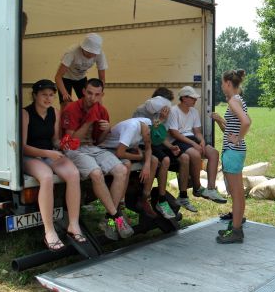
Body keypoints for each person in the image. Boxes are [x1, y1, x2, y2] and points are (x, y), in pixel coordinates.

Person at [61, 78, 133, 240]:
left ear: (102, 95)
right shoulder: (72, 108)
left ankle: (108, 219)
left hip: (94, 147)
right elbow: (70, 141)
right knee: (96, 173)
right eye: (89, 93)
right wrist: (87, 123)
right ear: (83, 92)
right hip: (74, 149)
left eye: (97, 94)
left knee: (121, 170)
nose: (92, 97)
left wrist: (106, 130)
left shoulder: (102, 110)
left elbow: (99, 141)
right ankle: (116, 217)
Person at [22, 79, 85, 251]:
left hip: (49, 153)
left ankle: (73, 224)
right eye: (44, 95)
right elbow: (23, 147)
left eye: (51, 95)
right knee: (47, 177)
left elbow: (54, 140)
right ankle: (49, 231)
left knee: (73, 174)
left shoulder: (55, 113)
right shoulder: (25, 114)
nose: (48, 98)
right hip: (29, 156)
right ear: (35, 95)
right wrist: (48, 153)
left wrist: (62, 145)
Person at [99, 117, 176, 220]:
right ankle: (118, 207)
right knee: (127, 165)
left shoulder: (148, 124)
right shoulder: (132, 127)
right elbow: (120, 153)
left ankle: (145, 198)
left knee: (153, 160)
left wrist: (147, 165)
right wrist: (139, 157)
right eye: (149, 139)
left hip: (127, 149)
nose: (148, 141)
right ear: (149, 132)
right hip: (109, 149)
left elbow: (148, 148)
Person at [167, 86, 226, 208]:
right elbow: (174, 133)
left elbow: (197, 131)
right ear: (184, 98)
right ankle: (197, 187)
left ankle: (210, 188)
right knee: (195, 154)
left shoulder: (193, 111)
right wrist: (194, 144)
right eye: (193, 98)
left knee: (214, 153)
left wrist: (202, 141)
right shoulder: (173, 111)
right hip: (177, 140)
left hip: (190, 139)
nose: (195, 100)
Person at [133, 92, 190, 214]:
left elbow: (159, 135)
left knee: (171, 159)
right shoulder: (142, 111)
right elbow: (149, 134)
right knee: (163, 160)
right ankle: (154, 198)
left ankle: (162, 198)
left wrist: (171, 146)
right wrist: (160, 120)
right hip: (143, 143)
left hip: (154, 142)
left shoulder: (161, 110)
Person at [211, 70, 251, 244]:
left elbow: (246, 122)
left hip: (233, 152)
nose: (221, 86)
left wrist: (237, 138)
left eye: (222, 83)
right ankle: (236, 226)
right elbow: (231, 128)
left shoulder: (233, 100)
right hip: (237, 151)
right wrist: (220, 120)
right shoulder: (239, 100)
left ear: (228, 83)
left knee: (236, 193)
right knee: (238, 193)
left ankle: (236, 232)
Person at [55, 33, 108, 106]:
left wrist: (99, 94)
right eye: (89, 53)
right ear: (83, 48)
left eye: (94, 53)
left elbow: (102, 78)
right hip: (66, 78)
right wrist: (64, 93)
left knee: (90, 103)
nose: (92, 55)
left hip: (81, 78)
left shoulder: (100, 54)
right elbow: (58, 77)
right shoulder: (72, 52)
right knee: (66, 104)